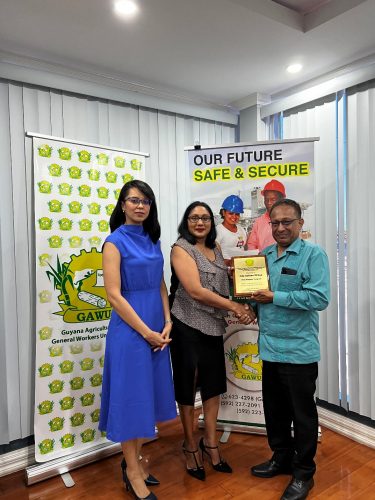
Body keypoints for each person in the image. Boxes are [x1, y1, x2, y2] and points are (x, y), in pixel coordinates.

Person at [99, 180, 176, 500]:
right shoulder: (113, 242)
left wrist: (168, 320)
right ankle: (132, 470)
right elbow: (114, 295)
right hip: (131, 332)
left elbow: (160, 284)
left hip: (158, 329)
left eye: (146, 201)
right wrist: (146, 332)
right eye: (134, 200)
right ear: (122, 205)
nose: (140, 205)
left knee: (149, 400)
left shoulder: (152, 239)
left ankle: (136, 459)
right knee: (131, 402)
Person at [249, 199, 330, 500]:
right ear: (269, 225)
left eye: (287, 222)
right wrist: (248, 307)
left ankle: (303, 473)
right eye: (275, 222)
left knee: (303, 415)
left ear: (300, 223)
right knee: (275, 412)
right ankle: (281, 458)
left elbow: (319, 298)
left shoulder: (313, 254)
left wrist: (275, 297)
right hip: (269, 349)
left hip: (299, 351)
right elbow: (257, 296)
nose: (281, 227)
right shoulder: (264, 255)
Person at [169, 201, 255, 481]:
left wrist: (247, 299)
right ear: (187, 221)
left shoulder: (216, 248)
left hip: (213, 327)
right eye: (194, 218)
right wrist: (234, 307)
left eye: (204, 218)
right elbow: (195, 291)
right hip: (186, 325)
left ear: (212, 221)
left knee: (213, 385)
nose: (200, 223)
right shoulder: (181, 249)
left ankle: (211, 443)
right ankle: (190, 445)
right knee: (187, 385)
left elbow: (224, 284)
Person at [247, 179, 286, 252]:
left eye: (273, 199)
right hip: (263, 261)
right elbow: (251, 245)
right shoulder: (258, 222)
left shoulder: (289, 220)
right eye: (266, 199)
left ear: (282, 200)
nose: (269, 202)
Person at [215, 195, 247, 262]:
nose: (234, 217)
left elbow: (245, 250)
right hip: (225, 270)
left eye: (237, 214)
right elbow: (214, 256)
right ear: (223, 213)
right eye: (231, 213)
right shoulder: (217, 231)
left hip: (241, 268)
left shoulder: (242, 230)